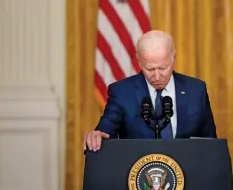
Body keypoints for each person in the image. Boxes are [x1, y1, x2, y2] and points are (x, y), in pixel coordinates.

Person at [84, 30, 217, 151]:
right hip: (138, 172)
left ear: (173, 58)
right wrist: (97, 136)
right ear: (139, 62)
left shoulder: (196, 90)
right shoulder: (122, 92)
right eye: (150, 69)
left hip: (187, 172)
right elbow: (106, 130)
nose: (157, 76)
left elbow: (209, 142)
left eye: (163, 67)